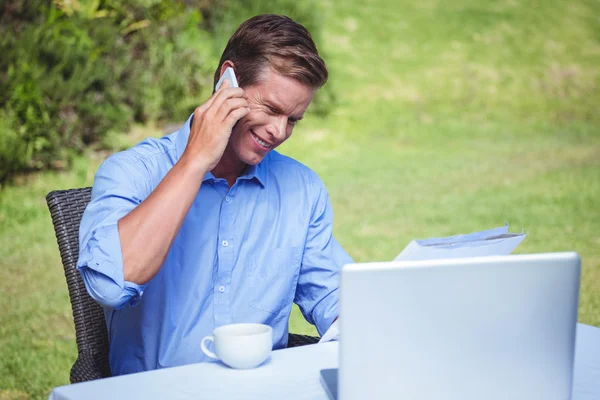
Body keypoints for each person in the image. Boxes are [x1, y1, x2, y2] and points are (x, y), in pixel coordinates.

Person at [77, 14, 352, 375]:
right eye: (270, 109)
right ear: (228, 81)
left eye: (293, 119)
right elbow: (108, 287)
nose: (279, 131)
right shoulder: (132, 172)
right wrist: (195, 161)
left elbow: (332, 297)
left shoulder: (302, 190)